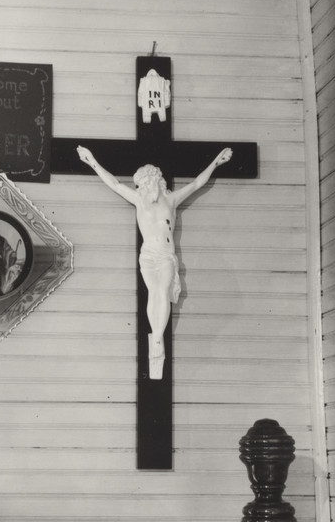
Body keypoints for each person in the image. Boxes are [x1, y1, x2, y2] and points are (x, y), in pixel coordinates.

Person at [77, 145, 233, 379]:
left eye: (143, 183)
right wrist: (92, 162)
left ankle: (158, 335)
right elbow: (115, 185)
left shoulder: (171, 200)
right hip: (148, 254)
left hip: (166, 254)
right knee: (153, 291)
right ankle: (156, 336)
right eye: (139, 185)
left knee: (163, 290)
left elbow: (197, 183)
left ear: (154, 180)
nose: (141, 188)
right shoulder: (139, 201)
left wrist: (216, 162)